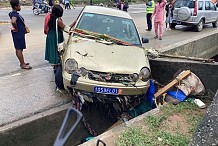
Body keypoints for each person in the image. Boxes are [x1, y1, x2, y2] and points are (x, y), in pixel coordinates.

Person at [45, 5, 75, 73]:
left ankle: (55, 67)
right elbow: (66, 28)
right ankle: (57, 69)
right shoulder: (58, 20)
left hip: (51, 36)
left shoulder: (51, 18)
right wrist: (74, 23)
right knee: (58, 50)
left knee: (54, 51)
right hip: (56, 37)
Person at [9, 0, 32, 69]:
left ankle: (22, 62)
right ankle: (22, 64)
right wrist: (16, 28)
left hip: (18, 34)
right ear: (16, 7)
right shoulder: (14, 14)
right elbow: (13, 21)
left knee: (20, 48)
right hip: (18, 34)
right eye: (19, 5)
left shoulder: (13, 13)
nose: (20, 7)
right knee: (19, 49)